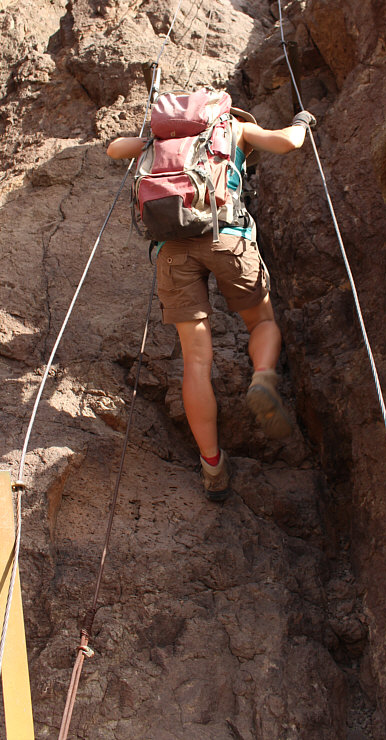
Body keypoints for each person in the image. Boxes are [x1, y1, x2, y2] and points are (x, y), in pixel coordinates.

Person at [107, 100, 314, 501]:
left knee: (197, 363)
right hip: (228, 238)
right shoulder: (235, 129)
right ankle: (262, 376)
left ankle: (212, 466)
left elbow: (115, 149)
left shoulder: (162, 138)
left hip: (173, 251)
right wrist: (302, 120)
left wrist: (149, 140)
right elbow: (289, 143)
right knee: (262, 322)